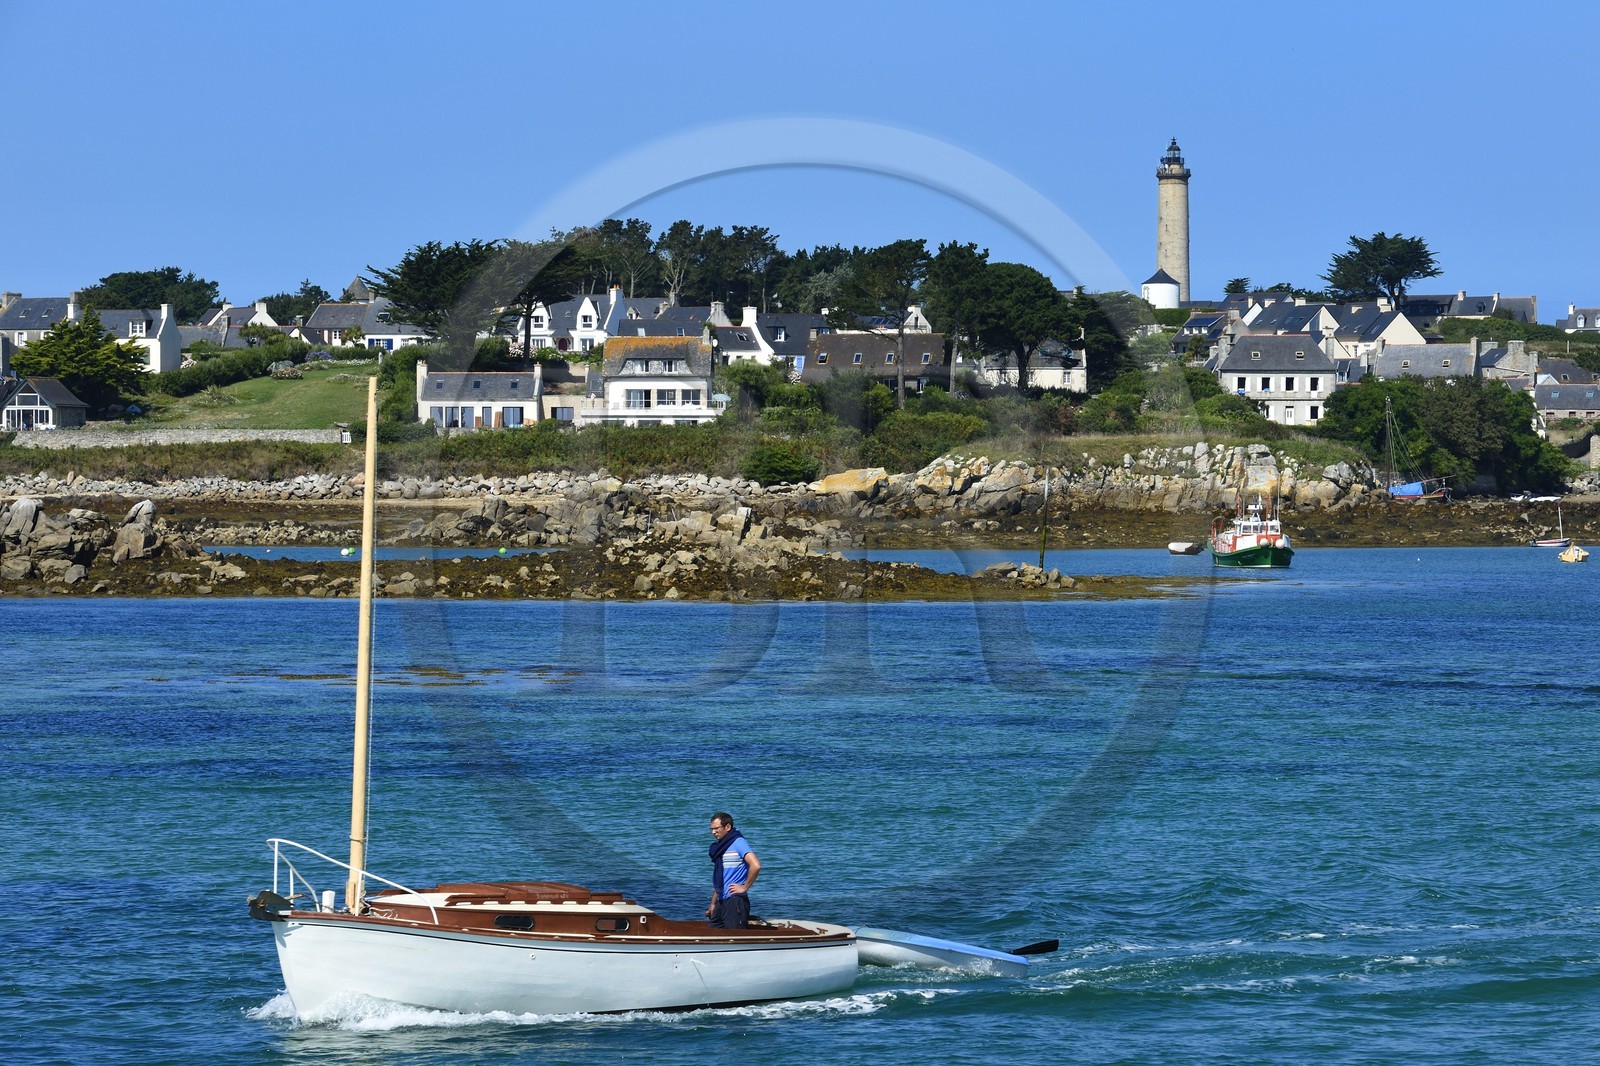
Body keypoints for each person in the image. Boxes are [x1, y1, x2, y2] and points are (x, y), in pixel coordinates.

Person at [705, 811, 760, 929]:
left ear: (728, 827)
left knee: (735, 935)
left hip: (735, 900)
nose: (713, 832)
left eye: (716, 828)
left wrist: (744, 887)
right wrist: (713, 903)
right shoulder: (720, 848)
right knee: (713, 931)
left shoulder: (739, 842)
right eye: (711, 829)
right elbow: (721, 878)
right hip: (721, 900)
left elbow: (756, 865)